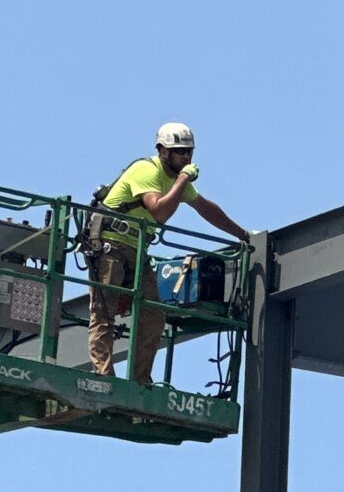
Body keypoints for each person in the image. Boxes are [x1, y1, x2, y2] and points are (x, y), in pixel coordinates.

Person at [87, 122, 248, 384]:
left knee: (153, 315)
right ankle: (103, 377)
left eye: (189, 152)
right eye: (179, 151)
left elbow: (206, 209)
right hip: (109, 244)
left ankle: (139, 381)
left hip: (136, 249)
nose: (186, 157)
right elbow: (159, 212)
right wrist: (184, 178)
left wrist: (242, 235)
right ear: (163, 151)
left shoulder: (175, 181)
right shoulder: (146, 170)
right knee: (104, 312)